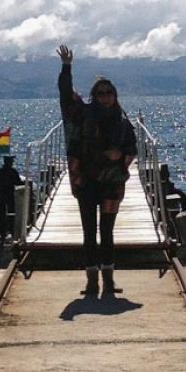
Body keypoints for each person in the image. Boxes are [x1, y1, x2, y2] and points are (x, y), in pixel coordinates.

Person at [56, 43, 137, 298]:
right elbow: (66, 95)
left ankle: (109, 279)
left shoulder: (123, 124)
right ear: (94, 95)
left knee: (108, 230)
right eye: (100, 93)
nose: (105, 97)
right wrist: (66, 67)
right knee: (89, 230)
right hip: (87, 181)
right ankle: (92, 281)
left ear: (115, 95)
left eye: (109, 92)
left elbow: (133, 149)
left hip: (112, 182)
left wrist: (121, 155)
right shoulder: (83, 114)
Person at [0, 153, 23, 239]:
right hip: (9, 194)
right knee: (11, 213)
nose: (12, 163)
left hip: (1, 195)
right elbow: (18, 182)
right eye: (11, 161)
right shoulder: (12, 172)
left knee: (2, 214)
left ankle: (2, 233)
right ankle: (12, 231)